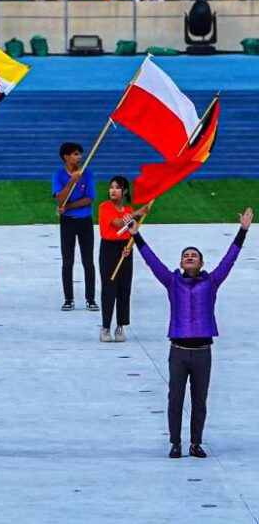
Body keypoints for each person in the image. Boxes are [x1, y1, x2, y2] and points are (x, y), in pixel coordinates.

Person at [127, 208, 252, 458]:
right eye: (186, 255)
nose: (190, 257)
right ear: (181, 262)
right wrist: (137, 236)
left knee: (200, 400)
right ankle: (175, 442)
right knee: (175, 399)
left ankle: (196, 443)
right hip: (179, 351)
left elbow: (230, 259)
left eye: (194, 255)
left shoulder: (212, 281)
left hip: (203, 352)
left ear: (202, 263)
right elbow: (152, 261)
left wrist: (243, 231)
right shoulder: (172, 281)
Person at [97, 177, 150, 342]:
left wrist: (130, 246)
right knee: (109, 287)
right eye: (111, 187)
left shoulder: (127, 208)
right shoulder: (105, 207)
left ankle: (120, 326)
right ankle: (105, 327)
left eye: (117, 188)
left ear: (124, 191)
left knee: (124, 288)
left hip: (125, 249)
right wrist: (138, 212)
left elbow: (131, 230)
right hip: (108, 249)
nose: (113, 190)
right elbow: (119, 223)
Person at [53, 142, 97, 311]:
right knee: (67, 260)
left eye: (80, 154)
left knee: (88, 261)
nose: (79, 157)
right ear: (66, 157)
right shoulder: (58, 175)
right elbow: (59, 198)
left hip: (85, 221)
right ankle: (68, 298)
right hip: (68, 223)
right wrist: (72, 182)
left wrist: (68, 207)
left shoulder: (87, 174)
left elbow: (89, 198)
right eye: (76, 154)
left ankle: (91, 299)